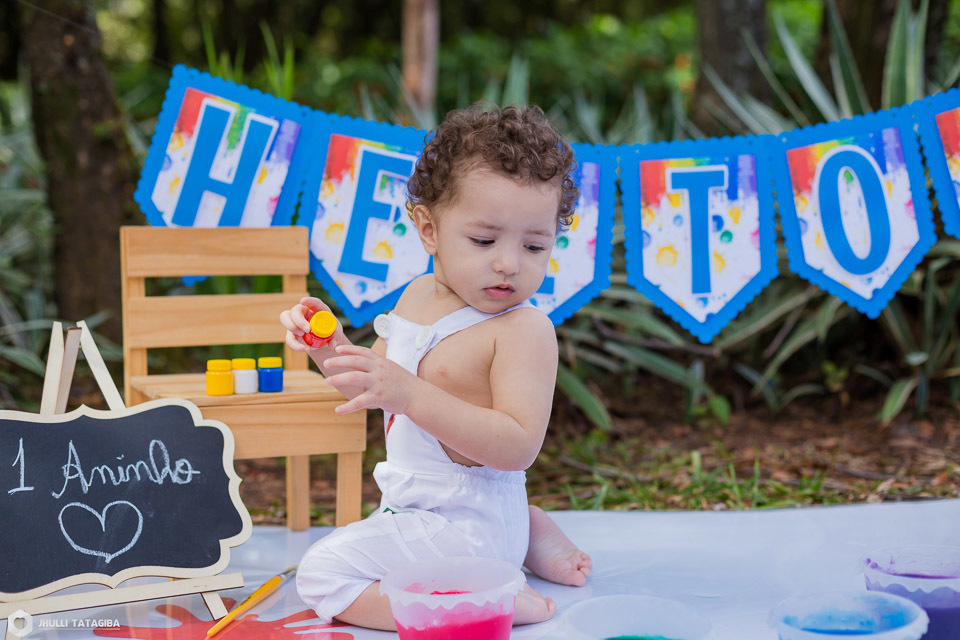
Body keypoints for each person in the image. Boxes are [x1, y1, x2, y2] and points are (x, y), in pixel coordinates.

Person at [280, 103, 591, 630]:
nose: (509, 263)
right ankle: (526, 532)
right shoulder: (418, 295)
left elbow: (518, 447)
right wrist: (324, 347)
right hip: (412, 510)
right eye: (484, 240)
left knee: (321, 573)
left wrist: (411, 395)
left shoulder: (522, 330)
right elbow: (375, 384)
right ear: (429, 229)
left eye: (535, 245)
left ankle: (490, 595)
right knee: (366, 548)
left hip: (462, 528)